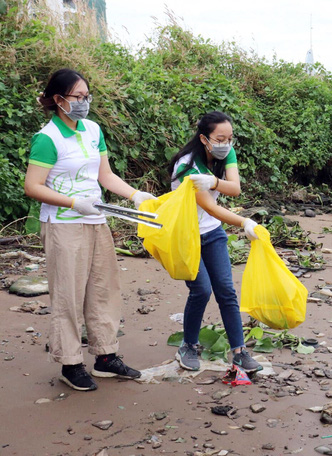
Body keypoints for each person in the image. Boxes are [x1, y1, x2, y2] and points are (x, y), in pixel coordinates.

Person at [24, 68, 155, 391]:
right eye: (77, 97)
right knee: (68, 295)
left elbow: (105, 176)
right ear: (58, 100)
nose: (84, 103)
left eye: (87, 96)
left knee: (103, 289)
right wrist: (71, 202)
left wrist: (136, 196)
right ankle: (70, 363)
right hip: (64, 226)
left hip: (96, 220)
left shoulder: (92, 130)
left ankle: (106, 357)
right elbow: (32, 186)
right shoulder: (47, 138)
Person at [167, 111, 262, 375]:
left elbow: (235, 188)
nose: (226, 143)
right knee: (201, 289)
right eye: (220, 138)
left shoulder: (225, 152)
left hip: (212, 233)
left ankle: (240, 352)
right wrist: (244, 222)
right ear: (204, 139)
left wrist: (215, 181)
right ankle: (188, 345)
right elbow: (209, 207)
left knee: (226, 291)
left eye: (229, 138)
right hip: (186, 235)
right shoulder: (187, 166)